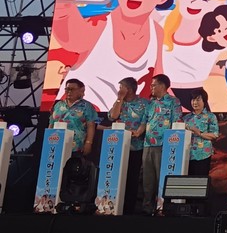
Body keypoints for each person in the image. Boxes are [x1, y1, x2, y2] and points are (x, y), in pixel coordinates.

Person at [54, 0, 178, 109]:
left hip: (128, 116)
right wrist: (63, 4)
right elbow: (73, 39)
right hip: (81, 114)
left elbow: (160, 79)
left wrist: (180, 108)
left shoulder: (156, 31)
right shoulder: (100, 24)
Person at [162, 0, 227, 110]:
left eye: (205, 0)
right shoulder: (162, 20)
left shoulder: (217, 37)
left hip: (195, 97)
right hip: (162, 95)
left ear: (220, 6)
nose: (194, 3)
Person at [133, 73, 182, 215]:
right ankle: (147, 207)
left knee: (162, 176)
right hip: (148, 144)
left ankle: (162, 207)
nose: (151, 87)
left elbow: (177, 122)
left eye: (153, 85)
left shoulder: (173, 101)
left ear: (162, 86)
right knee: (147, 178)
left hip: (164, 144)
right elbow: (144, 122)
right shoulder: (150, 103)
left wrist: (172, 142)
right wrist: (137, 133)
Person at [107, 77, 149, 214]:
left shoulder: (144, 103)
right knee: (116, 175)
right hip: (117, 146)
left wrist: (138, 132)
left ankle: (129, 208)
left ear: (129, 89)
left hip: (136, 146)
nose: (119, 90)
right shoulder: (120, 102)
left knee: (132, 177)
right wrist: (119, 99)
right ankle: (112, 204)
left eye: (121, 88)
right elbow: (113, 116)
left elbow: (145, 121)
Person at [49, 78, 98, 157]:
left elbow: (91, 125)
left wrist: (88, 143)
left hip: (76, 146)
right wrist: (48, 139)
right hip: (56, 144)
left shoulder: (86, 106)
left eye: (72, 89)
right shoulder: (58, 105)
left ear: (80, 90)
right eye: (67, 89)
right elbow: (51, 123)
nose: (69, 91)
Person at [184, 88, 219, 176]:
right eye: (193, 100)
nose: (195, 102)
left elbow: (214, 135)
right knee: (188, 180)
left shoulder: (210, 116)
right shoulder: (186, 118)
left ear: (204, 101)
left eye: (198, 100)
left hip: (203, 154)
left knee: (201, 179)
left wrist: (199, 133)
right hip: (187, 155)